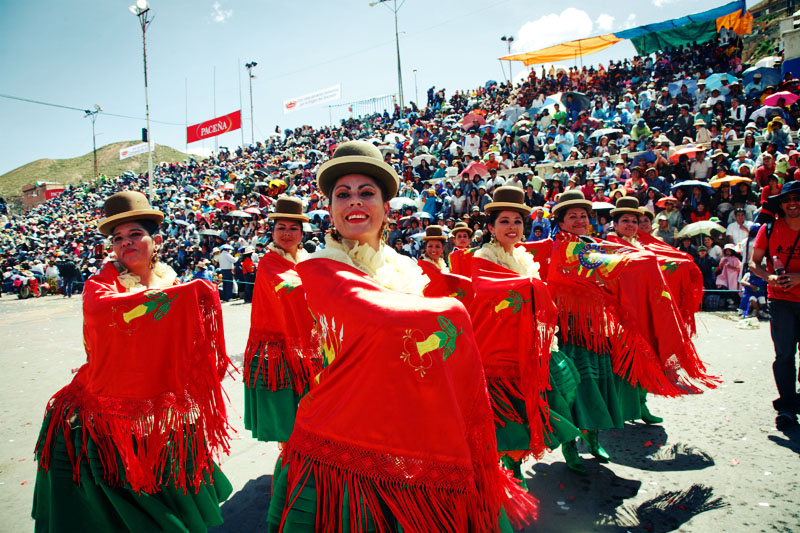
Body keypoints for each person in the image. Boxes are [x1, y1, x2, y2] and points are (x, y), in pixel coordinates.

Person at [267, 141, 535, 531]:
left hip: (415, 424)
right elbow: (387, 316)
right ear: (330, 210)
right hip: (345, 435)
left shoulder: (406, 267)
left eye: (366, 193)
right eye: (342, 194)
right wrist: (455, 312)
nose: (353, 201)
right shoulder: (320, 268)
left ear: (386, 209)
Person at [32, 191, 232, 531]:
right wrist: (184, 297)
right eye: (118, 238)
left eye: (135, 234)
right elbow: (105, 310)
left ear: (155, 241)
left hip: (165, 411)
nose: (126, 243)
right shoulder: (101, 284)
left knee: (169, 502)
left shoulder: (171, 281)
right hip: (108, 415)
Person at [545, 191, 717, 471]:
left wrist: (668, 262)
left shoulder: (589, 242)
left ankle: (593, 437)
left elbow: (626, 255)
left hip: (597, 329)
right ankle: (570, 446)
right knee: (575, 390)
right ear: (561, 222)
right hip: (571, 331)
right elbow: (611, 263)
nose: (579, 220)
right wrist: (642, 262)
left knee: (600, 386)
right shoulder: (565, 248)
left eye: (583, 215)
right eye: (572, 216)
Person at [469, 186, 582, 478]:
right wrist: (533, 288)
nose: (512, 227)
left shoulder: (523, 258)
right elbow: (488, 289)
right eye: (504, 221)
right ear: (491, 227)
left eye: (517, 221)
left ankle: (571, 443)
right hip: (498, 348)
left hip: (531, 344)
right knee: (509, 414)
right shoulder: (484, 257)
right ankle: (512, 466)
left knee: (566, 389)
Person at [243, 197, 322, 444]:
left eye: (293, 228)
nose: (287, 234)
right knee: (289, 417)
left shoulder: (308, 260)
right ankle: (290, 464)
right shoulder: (269, 263)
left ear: (302, 232)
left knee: (312, 411)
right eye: (281, 228)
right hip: (281, 349)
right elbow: (288, 288)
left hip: (310, 346)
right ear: (273, 231)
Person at [748, 181, 800, 429]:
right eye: (788, 199)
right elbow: (754, 263)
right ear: (781, 204)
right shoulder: (768, 229)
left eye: (797, 199)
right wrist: (769, 277)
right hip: (781, 300)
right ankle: (787, 407)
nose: (793, 203)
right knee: (784, 355)